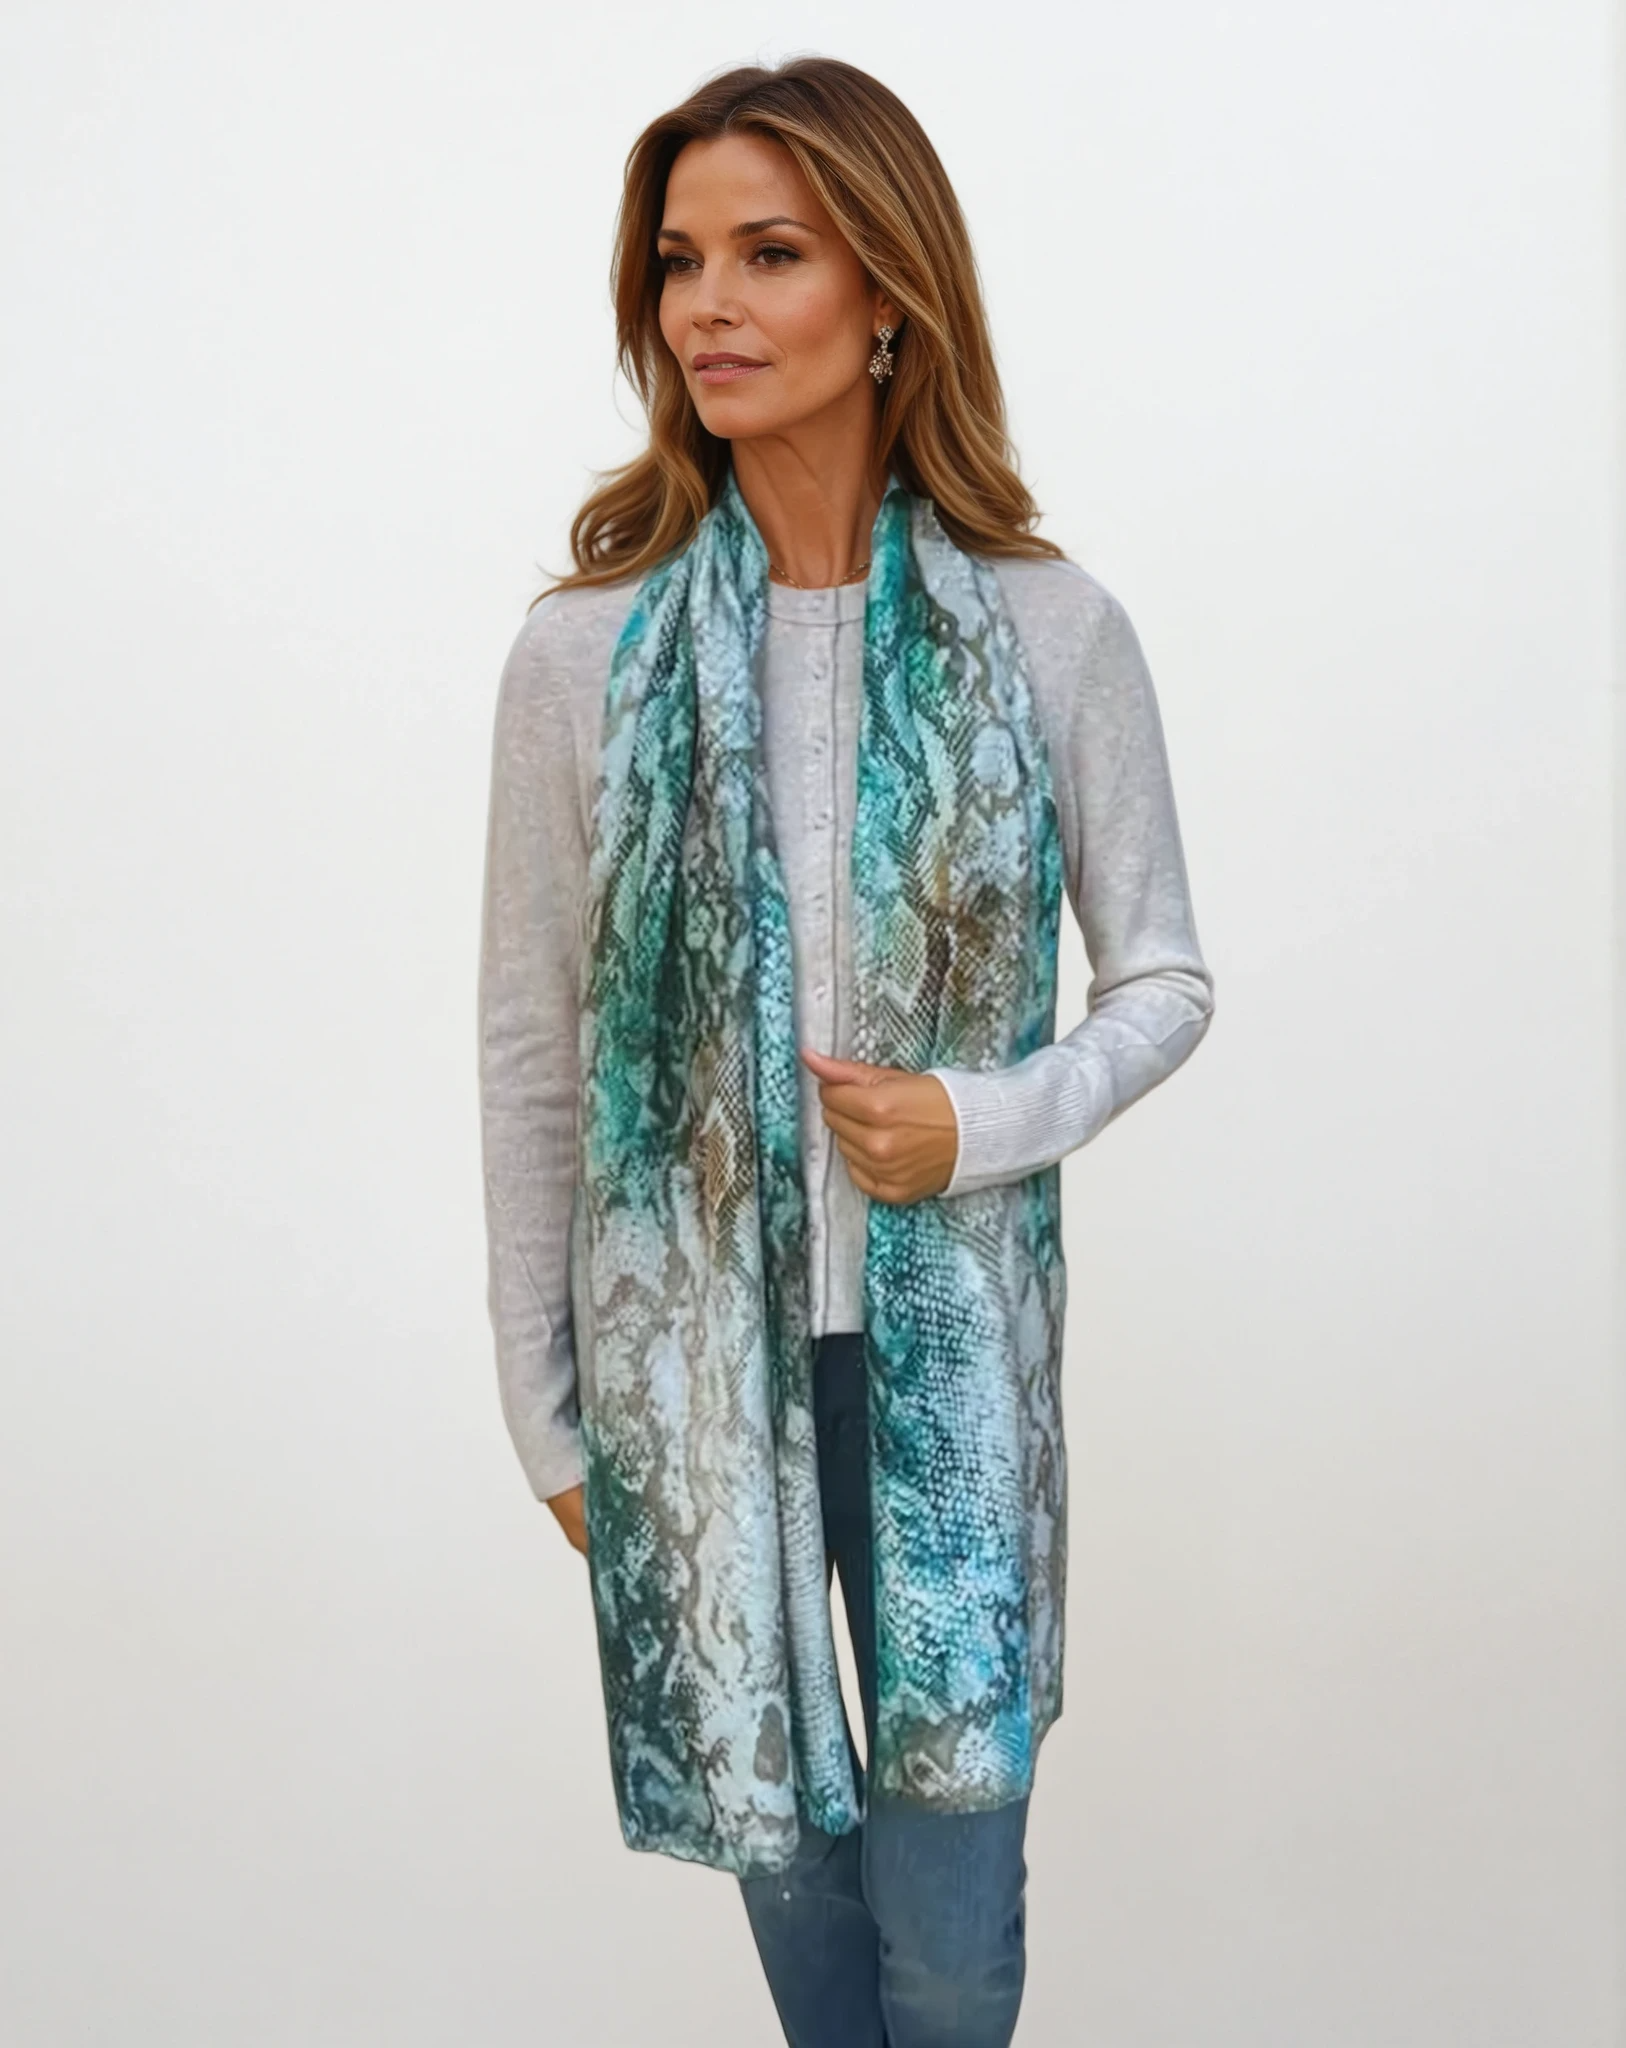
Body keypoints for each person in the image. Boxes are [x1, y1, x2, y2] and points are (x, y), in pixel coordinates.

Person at [477, 54, 1215, 2048]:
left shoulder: (1050, 629)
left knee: (951, 1939)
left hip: (946, 1363)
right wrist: (549, 1417)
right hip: (687, 1384)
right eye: (678, 261)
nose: (704, 306)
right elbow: (532, 1049)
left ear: (888, 291)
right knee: (801, 1922)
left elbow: (1162, 979)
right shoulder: (581, 653)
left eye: (768, 255)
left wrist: (982, 1119)